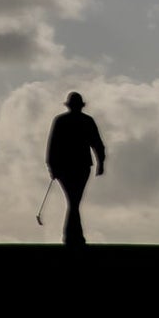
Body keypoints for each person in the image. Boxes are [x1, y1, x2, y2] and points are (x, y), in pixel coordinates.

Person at [46, 91, 106, 246]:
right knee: (74, 201)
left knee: (73, 201)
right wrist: (100, 163)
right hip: (80, 166)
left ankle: (71, 237)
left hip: (66, 167)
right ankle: (74, 237)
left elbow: (52, 146)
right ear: (80, 106)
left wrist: (52, 167)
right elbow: (98, 145)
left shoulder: (60, 121)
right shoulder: (87, 121)